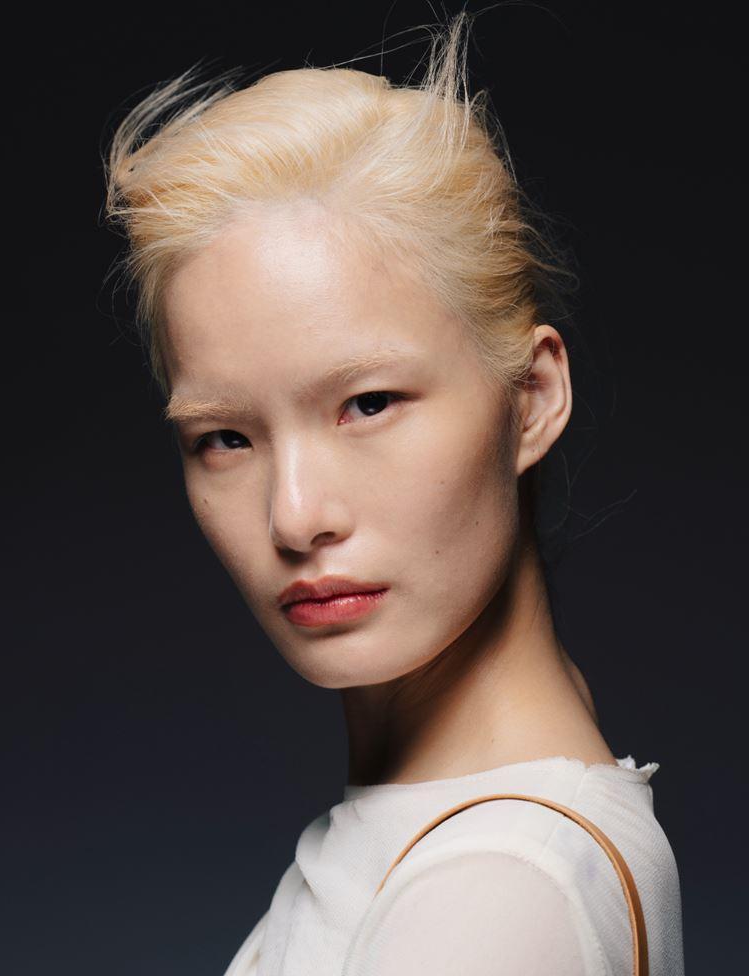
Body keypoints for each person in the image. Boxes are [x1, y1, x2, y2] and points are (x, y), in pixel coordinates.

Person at [102, 12, 684, 975]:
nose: (295, 517)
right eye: (226, 439)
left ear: (532, 398)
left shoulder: (496, 893)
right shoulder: (460, 844)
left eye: (368, 404)